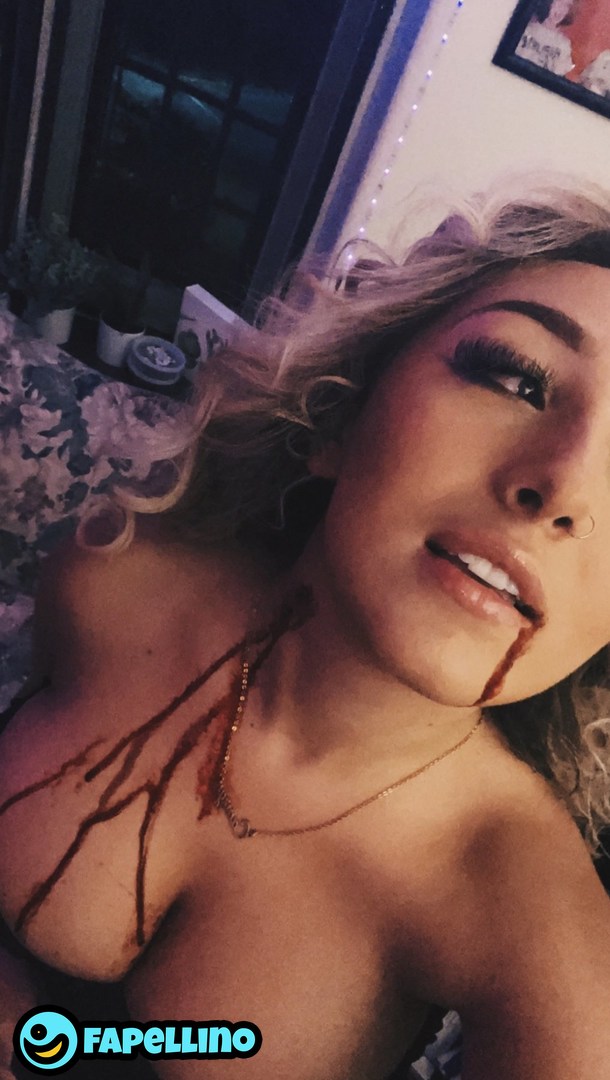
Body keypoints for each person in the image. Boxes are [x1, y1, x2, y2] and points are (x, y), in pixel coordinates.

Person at [1, 178, 610, 1080]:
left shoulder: (530, 926)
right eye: (516, 378)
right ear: (340, 416)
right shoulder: (111, 581)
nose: (563, 487)